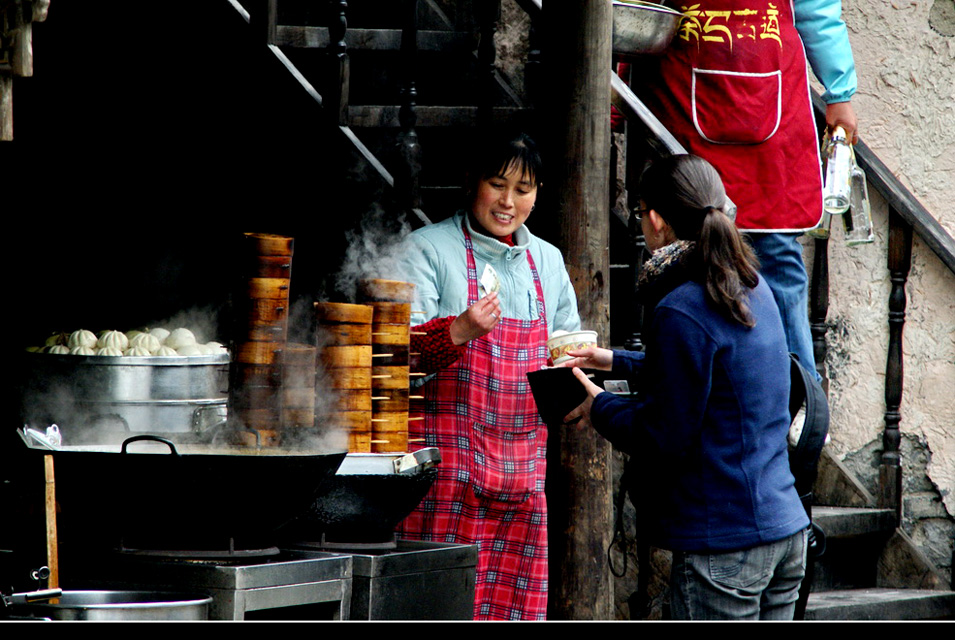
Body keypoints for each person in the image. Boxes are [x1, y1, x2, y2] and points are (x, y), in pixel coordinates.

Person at [562, 155, 809, 620]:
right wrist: (614, 360)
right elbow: (709, 371)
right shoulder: (752, 287)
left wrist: (600, 405)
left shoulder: (680, 307)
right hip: (783, 530)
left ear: (655, 219)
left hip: (726, 545)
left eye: (639, 212)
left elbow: (664, 435)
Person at [396, 131, 581, 620]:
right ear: (470, 182)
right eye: (497, 184)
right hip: (444, 478)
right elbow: (391, 365)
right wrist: (457, 330)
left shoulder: (547, 261)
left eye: (523, 189)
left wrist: (577, 377)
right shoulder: (427, 250)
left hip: (522, 479)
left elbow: (563, 351)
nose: (508, 201)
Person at [629, 0, 859, 378]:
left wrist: (840, 92)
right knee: (682, 266)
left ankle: (803, 411)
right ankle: (687, 398)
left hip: (770, 117)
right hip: (685, 103)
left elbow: (816, 9)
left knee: (778, 267)